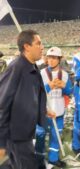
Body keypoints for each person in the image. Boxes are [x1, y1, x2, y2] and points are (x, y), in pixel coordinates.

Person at [0, 30, 55, 169]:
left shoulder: (32, 66)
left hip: (24, 132)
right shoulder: (16, 67)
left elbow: (30, 96)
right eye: (38, 43)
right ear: (27, 46)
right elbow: (2, 104)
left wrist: (43, 110)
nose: (42, 47)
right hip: (16, 136)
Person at [35, 47, 72, 168]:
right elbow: (36, 92)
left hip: (59, 112)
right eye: (49, 57)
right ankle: (39, 159)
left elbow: (69, 92)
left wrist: (64, 86)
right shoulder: (41, 73)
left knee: (56, 137)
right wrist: (49, 86)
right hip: (44, 112)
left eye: (54, 58)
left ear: (59, 59)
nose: (51, 60)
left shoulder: (65, 75)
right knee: (40, 136)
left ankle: (53, 159)